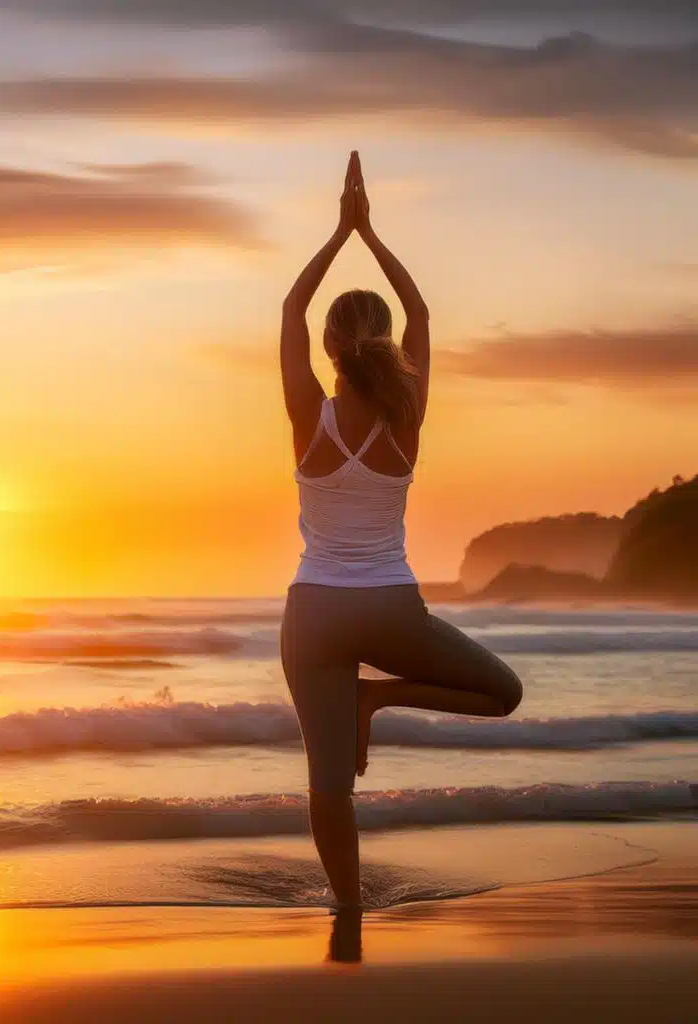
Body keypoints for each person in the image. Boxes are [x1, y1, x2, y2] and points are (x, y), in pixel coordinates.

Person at [279, 151, 523, 913]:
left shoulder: (308, 416)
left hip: (314, 612)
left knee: (327, 786)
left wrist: (338, 232)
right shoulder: (406, 418)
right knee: (502, 692)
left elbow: (290, 309)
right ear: (386, 347)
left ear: (328, 350)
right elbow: (419, 314)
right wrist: (371, 235)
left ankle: (348, 910)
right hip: (389, 608)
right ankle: (378, 701)